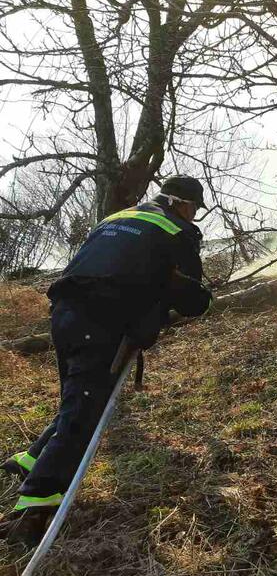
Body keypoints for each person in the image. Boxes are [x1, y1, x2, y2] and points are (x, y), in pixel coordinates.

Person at [0, 176, 213, 544]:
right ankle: (35, 506)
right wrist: (201, 299)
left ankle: (31, 459)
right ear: (180, 203)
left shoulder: (115, 218)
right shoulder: (177, 229)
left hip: (65, 311)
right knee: (85, 408)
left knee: (81, 396)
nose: (194, 216)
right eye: (194, 209)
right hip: (104, 317)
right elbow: (188, 292)